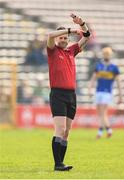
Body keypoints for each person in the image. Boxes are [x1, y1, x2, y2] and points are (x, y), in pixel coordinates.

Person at [47, 14, 91, 171]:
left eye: (66, 38)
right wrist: (71, 29)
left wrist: (82, 24)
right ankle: (57, 164)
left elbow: (87, 36)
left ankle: (61, 163)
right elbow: (50, 35)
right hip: (58, 94)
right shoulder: (52, 50)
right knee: (60, 129)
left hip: (71, 95)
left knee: (67, 132)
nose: (63, 40)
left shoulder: (72, 50)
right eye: (62, 38)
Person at [89, 47, 123, 139]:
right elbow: (93, 79)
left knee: (103, 113)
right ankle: (105, 130)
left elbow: (119, 82)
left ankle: (104, 131)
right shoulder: (99, 66)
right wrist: (90, 89)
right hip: (98, 92)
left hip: (107, 93)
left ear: (110, 55)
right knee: (100, 113)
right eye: (105, 54)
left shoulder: (114, 68)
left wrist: (120, 95)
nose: (106, 56)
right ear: (103, 55)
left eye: (107, 54)